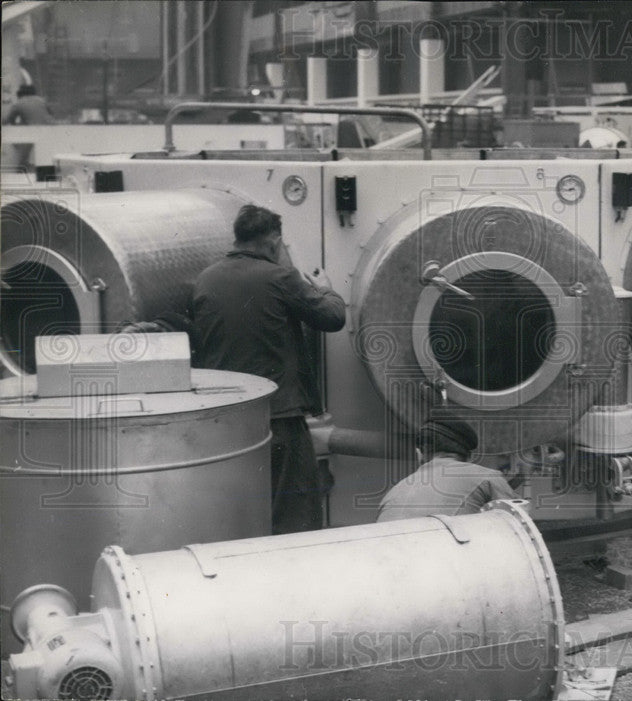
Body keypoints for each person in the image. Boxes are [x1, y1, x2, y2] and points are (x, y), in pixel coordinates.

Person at [193, 205, 346, 534]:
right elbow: (333, 317)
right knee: (296, 512)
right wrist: (324, 287)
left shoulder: (206, 279)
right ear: (274, 243)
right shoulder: (280, 276)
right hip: (279, 418)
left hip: (227, 421)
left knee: (243, 515)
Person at [376, 414, 520, 522]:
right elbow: (519, 528)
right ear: (469, 457)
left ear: (419, 454)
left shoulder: (392, 494)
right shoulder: (487, 478)